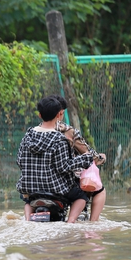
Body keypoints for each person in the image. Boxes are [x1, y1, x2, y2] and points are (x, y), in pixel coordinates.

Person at [16, 95, 94, 223]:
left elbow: (20, 161)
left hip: (31, 188)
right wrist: (85, 160)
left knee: (28, 200)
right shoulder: (59, 139)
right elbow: (63, 166)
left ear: (40, 115)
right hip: (55, 189)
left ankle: (28, 221)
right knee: (81, 196)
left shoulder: (27, 137)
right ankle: (70, 222)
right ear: (59, 115)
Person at [54, 97, 107, 221]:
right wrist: (100, 158)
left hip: (39, 182)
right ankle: (92, 224)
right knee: (99, 190)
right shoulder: (68, 131)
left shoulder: (35, 132)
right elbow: (88, 153)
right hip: (65, 181)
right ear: (61, 113)